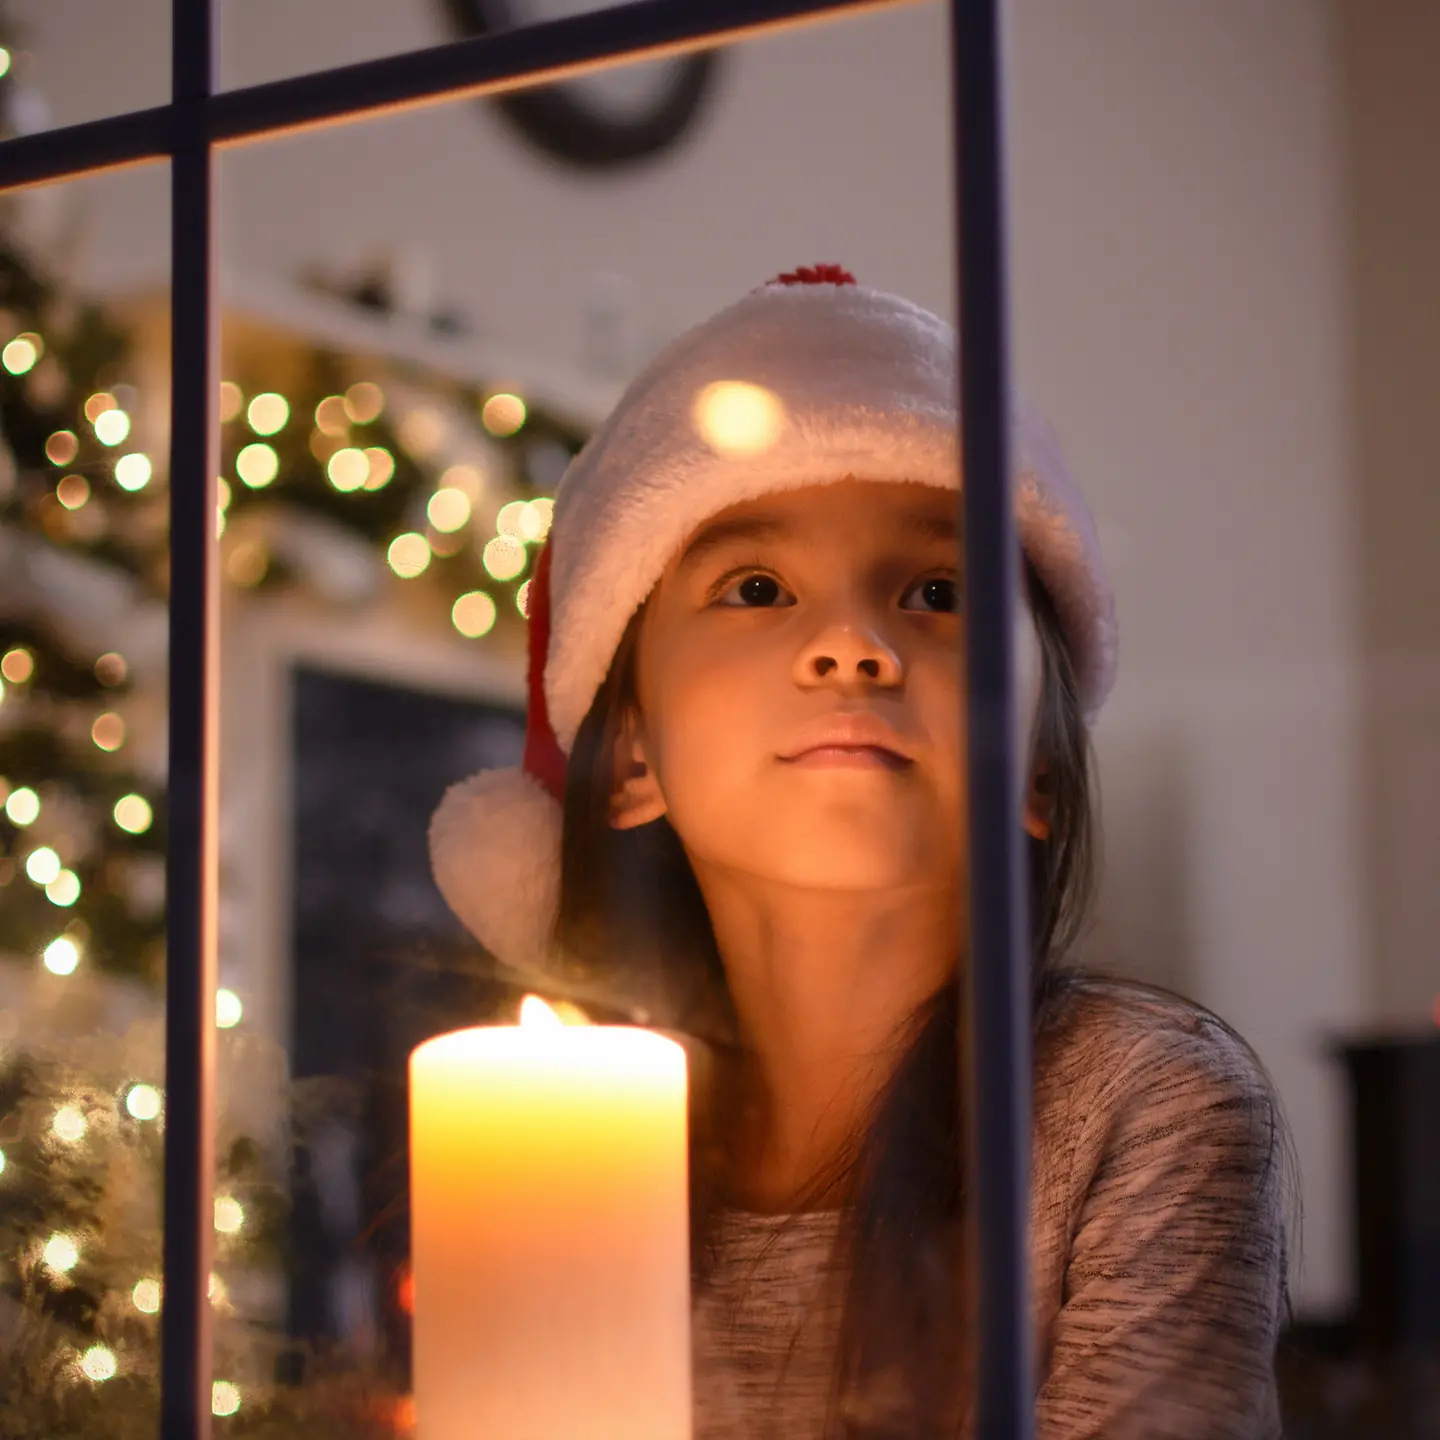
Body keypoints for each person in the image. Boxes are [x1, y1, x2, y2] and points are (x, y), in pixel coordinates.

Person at [429, 264, 1294, 1438]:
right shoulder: (546, 1155)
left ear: (1038, 767)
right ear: (630, 754)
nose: (850, 645)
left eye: (938, 588)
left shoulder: (1141, 1108)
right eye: (755, 587)